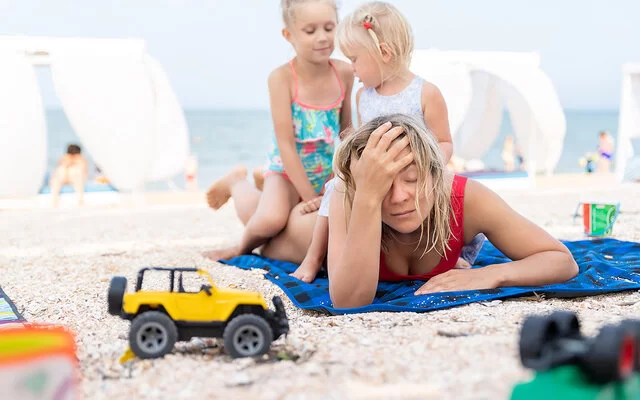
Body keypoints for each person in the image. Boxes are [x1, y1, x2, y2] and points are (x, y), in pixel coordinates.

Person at [291, 1, 483, 282]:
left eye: (354, 59)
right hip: (376, 175)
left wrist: (428, 167)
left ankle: (455, 254)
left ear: (383, 53)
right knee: (337, 186)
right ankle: (313, 258)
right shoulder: (363, 97)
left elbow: (444, 142)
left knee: (456, 193)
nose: (351, 68)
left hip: (416, 174)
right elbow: (358, 147)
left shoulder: (426, 93)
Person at [326, 114, 578, 308]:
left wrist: (490, 275)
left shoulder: (464, 196)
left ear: (437, 175)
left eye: (412, 179)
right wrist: (368, 197)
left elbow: (561, 261)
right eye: (383, 185)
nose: (399, 196)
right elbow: (348, 302)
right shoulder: (348, 195)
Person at [203, 0, 354, 261]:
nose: (322, 38)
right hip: (285, 169)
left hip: (325, 171)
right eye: (310, 31)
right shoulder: (282, 78)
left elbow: (347, 131)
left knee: (283, 220)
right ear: (289, 35)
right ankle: (239, 230)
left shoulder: (344, 72)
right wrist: (308, 195)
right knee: (270, 221)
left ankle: (250, 185)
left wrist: (337, 177)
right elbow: (285, 144)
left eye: (329, 28)